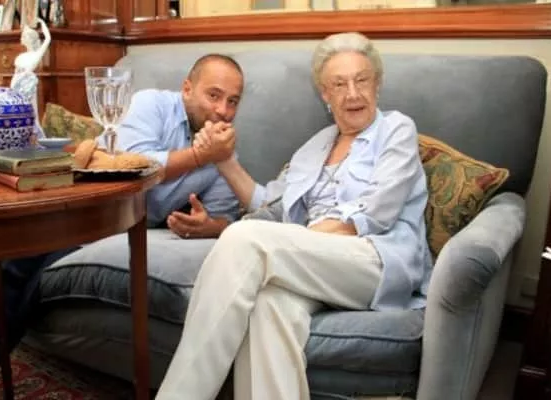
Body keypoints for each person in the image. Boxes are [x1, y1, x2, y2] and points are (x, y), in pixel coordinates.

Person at [0, 53, 244, 400]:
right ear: (187, 89)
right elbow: (136, 164)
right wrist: (200, 156)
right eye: (213, 95)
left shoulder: (223, 154)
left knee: (7, 278)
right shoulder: (151, 105)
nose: (222, 111)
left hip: (115, 227)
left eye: (232, 102)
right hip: (78, 208)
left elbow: (225, 216)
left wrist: (208, 225)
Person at [154, 32, 434, 400]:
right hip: (316, 264)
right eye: (339, 84)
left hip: (375, 258)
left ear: (377, 85)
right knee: (268, 305)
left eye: (362, 80)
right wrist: (223, 161)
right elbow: (269, 206)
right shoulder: (313, 148)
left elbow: (376, 213)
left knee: (244, 239)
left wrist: (290, 238)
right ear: (325, 94)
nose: (352, 93)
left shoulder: (396, 129)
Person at [10, 18, 50, 139]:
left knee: (29, 112)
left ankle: (33, 137)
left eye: (24, 36)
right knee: (16, 112)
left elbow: (48, 39)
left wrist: (43, 24)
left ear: (29, 39)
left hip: (27, 86)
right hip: (16, 84)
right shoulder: (21, 56)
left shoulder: (36, 55)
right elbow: (16, 73)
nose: (22, 39)